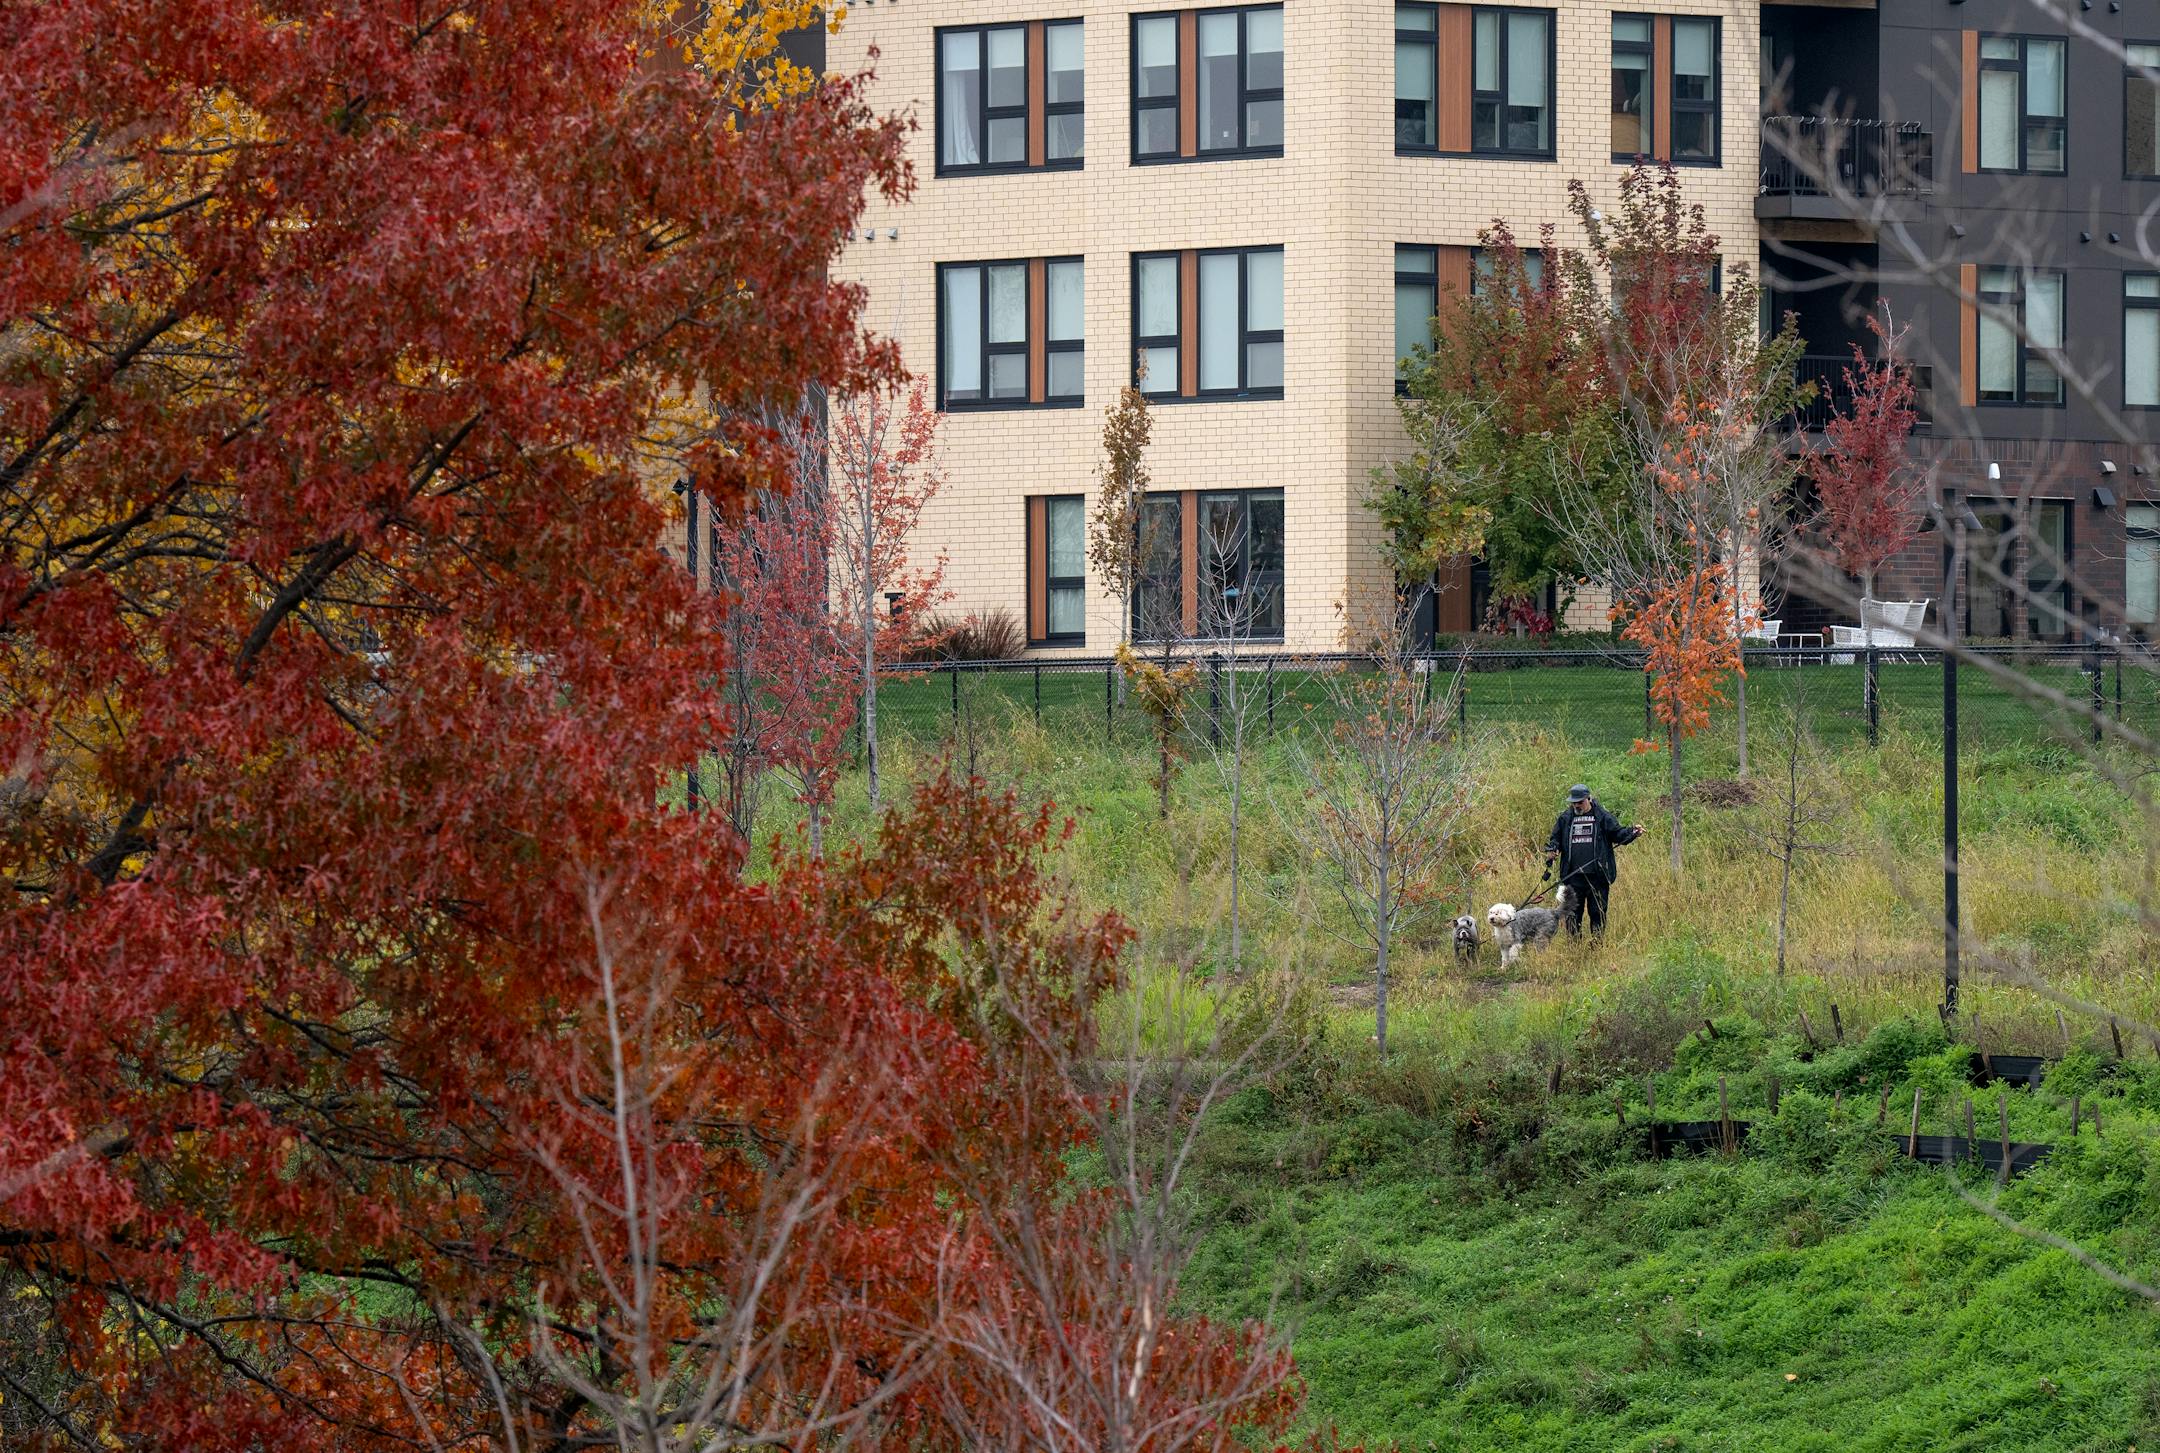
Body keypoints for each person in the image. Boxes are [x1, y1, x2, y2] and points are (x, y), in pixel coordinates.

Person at [1542, 784, 1644, 940]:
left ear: (1589, 799)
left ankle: (1597, 945)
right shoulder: (1565, 818)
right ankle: (1574, 947)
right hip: (1572, 877)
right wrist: (1552, 850)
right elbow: (1555, 839)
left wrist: (1633, 832)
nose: (1577, 805)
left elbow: (1617, 834)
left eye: (1580, 802)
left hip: (1597, 876)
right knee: (1572, 914)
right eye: (1574, 803)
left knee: (1598, 913)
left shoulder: (1602, 816)